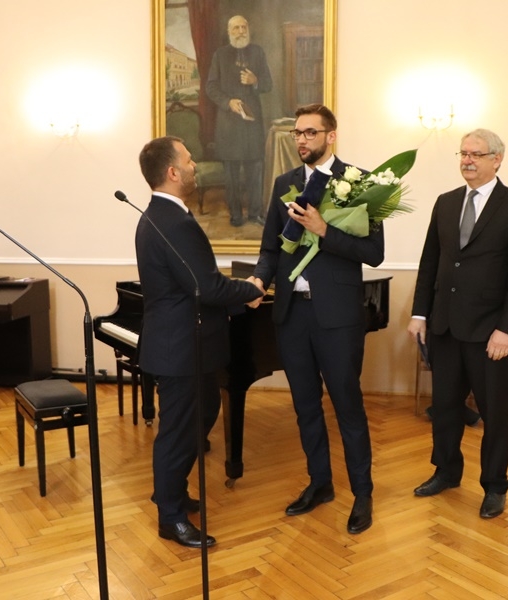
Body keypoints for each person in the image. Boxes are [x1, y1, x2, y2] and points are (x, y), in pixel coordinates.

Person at [252, 103, 381, 534]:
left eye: (311, 132)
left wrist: (325, 231)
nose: (302, 139)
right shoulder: (284, 183)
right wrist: (259, 280)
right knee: (305, 406)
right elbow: (271, 247)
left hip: (338, 317)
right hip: (291, 314)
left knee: (347, 406)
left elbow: (373, 253)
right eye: (297, 133)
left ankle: (362, 494)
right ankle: (320, 483)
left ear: (331, 136)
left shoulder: (359, 183)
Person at [134, 136, 264, 548]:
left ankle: (172, 492)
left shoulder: (165, 215)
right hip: (180, 348)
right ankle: (170, 517)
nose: (195, 167)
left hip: (190, 345)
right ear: (173, 172)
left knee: (203, 414)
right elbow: (206, 287)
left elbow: (195, 284)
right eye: (189, 161)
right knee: (177, 433)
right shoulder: (171, 221)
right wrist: (250, 289)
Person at [408, 128, 508, 519]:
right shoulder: (446, 203)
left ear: (497, 159)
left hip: (490, 333)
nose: (467, 160)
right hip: (445, 327)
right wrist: (419, 314)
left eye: (476, 154)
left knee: (494, 414)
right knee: (445, 407)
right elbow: (430, 261)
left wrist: (507, 329)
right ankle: (446, 471)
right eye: (463, 153)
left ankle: (495, 486)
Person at [205, 15, 272, 227]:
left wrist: (255, 81)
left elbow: (268, 84)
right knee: (231, 174)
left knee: (256, 170)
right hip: (229, 125)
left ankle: (255, 213)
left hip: (252, 124)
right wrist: (228, 102)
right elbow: (211, 87)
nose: (241, 31)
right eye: (236, 28)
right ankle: (235, 215)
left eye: (244, 27)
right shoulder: (220, 55)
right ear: (229, 32)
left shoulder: (258, 52)